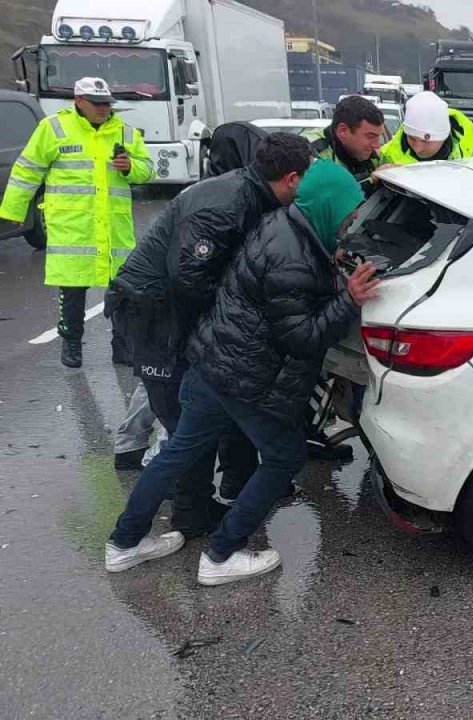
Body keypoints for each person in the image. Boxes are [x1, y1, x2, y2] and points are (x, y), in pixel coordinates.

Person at [107, 160, 379, 586]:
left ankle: (124, 543)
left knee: (177, 451)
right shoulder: (295, 260)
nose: (348, 225)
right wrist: (349, 298)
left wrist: (332, 256)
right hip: (245, 378)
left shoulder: (282, 224)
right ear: (327, 207)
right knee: (284, 457)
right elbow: (302, 337)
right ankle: (222, 555)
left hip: (210, 362)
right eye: (345, 215)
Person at [107, 133, 312, 539]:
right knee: (184, 425)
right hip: (155, 316)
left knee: (197, 421)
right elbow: (190, 280)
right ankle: (172, 520)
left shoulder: (252, 195)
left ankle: (194, 507)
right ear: (291, 178)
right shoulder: (225, 204)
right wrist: (220, 331)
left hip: (174, 314)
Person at [0, 77, 153, 368]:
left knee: (122, 290)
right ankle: (71, 343)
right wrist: (13, 210)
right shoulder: (54, 129)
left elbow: (148, 169)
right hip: (73, 228)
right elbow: (27, 169)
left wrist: (132, 166)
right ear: (78, 101)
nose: (103, 109)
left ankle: (122, 346)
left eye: (107, 104)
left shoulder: (125, 133)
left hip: (114, 228)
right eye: (97, 104)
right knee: (72, 291)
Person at [379, 91, 473, 165]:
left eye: (426, 141)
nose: (418, 148)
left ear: (443, 136)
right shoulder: (389, 154)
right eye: (412, 138)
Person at [302, 95, 385, 190]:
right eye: (371, 137)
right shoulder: (307, 151)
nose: (377, 145)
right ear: (343, 131)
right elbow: (324, 194)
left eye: (378, 137)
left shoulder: (372, 156)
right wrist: (370, 179)